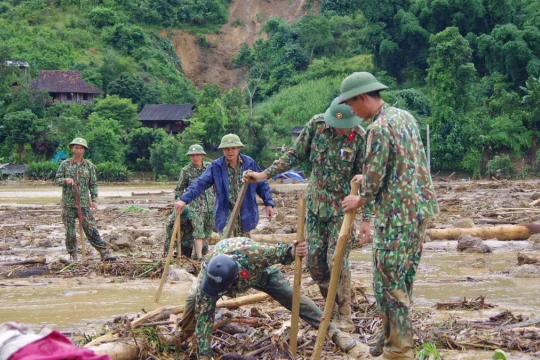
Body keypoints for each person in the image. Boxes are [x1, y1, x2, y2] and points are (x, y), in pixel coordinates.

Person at [243, 97, 374, 331]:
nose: (341, 129)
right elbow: (294, 155)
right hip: (314, 208)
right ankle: (330, 307)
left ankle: (344, 313)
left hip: (341, 212)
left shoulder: (361, 138)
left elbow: (368, 180)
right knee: (314, 263)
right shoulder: (316, 126)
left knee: (337, 261)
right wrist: (264, 175)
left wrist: (366, 219)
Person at [339, 72, 438, 360]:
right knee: (403, 280)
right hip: (418, 212)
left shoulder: (378, 129)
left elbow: (374, 180)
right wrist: (368, 175)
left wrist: (360, 198)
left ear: (363, 98)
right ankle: (387, 339)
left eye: (352, 105)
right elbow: (402, 162)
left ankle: (399, 351)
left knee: (389, 285)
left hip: (396, 215)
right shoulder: (404, 117)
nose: (352, 112)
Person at [179, 237, 362, 360]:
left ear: (234, 279)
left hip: (261, 273)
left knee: (292, 297)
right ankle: (183, 337)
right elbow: (205, 318)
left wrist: (294, 250)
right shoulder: (209, 278)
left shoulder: (255, 253)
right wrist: (204, 354)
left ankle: (334, 333)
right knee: (193, 302)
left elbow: (283, 252)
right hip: (221, 273)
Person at [174, 134, 274, 238]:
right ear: (222, 149)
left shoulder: (249, 163)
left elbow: (262, 183)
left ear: (239, 148)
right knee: (226, 245)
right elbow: (200, 183)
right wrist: (184, 199)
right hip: (226, 213)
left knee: (244, 247)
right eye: (226, 148)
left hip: (246, 211)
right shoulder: (216, 166)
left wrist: (269, 203)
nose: (230, 151)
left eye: (233, 148)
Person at [54, 137, 116, 262]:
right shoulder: (65, 164)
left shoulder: (89, 166)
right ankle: (73, 256)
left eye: (81, 148)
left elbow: (93, 184)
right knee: (70, 232)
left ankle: (104, 252)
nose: (78, 150)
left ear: (84, 150)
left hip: (84, 204)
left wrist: (94, 200)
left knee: (91, 229)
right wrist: (65, 180)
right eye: (76, 147)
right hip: (68, 204)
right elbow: (57, 180)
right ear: (72, 149)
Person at [164, 145, 215, 260]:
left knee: (207, 232)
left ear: (202, 155)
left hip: (210, 206)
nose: (195, 157)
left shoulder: (210, 167)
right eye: (192, 155)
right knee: (198, 232)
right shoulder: (186, 171)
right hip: (195, 206)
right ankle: (199, 257)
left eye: (197, 155)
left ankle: (199, 254)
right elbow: (178, 189)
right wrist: (181, 201)